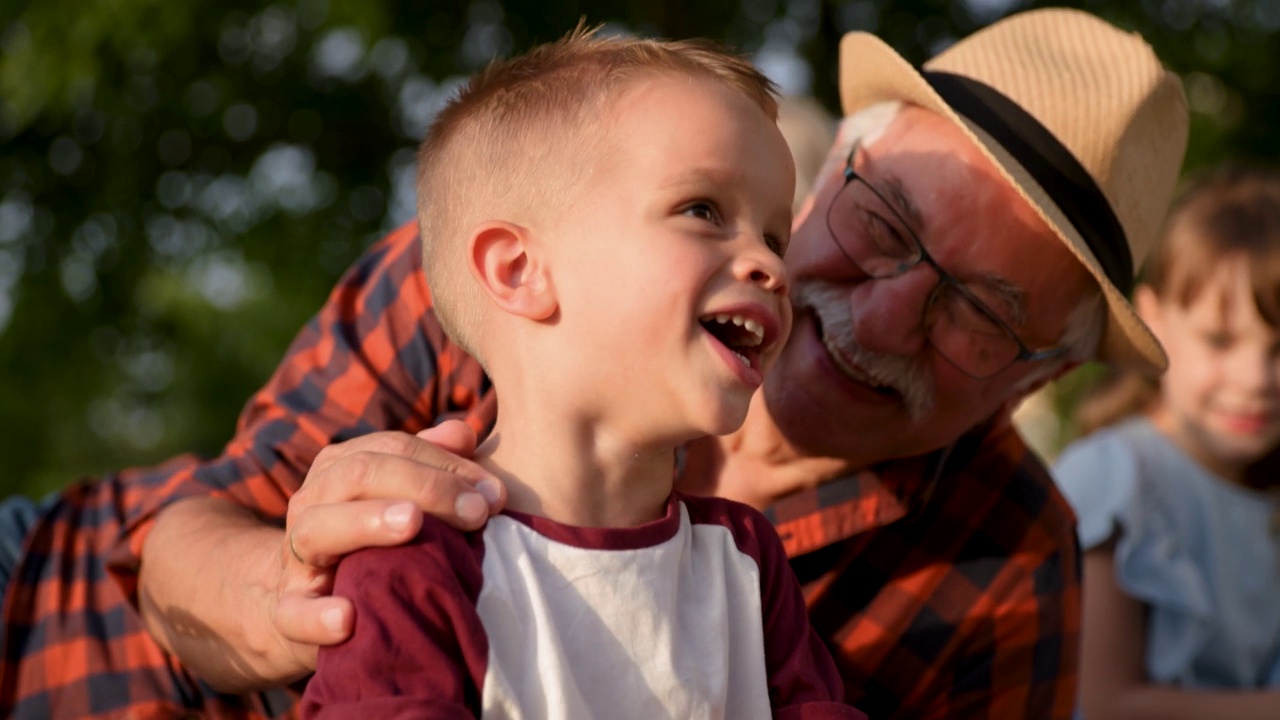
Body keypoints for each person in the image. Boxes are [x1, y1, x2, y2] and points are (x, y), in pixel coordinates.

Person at [0, 8, 1189, 719]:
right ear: (833, 179)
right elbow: (174, 541)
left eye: (978, 316)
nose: (878, 318)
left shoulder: (995, 561)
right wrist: (301, 598)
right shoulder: (499, 280)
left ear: (1036, 382)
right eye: (877, 228)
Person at [293, 27, 861, 718]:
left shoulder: (744, 562)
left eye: (775, 237)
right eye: (703, 211)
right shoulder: (415, 564)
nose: (771, 266)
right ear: (520, 271)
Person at [1053, 165, 1280, 720]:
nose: (1256, 378)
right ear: (1152, 319)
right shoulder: (1119, 476)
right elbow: (1106, 703)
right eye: (1220, 340)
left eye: (1278, 349)